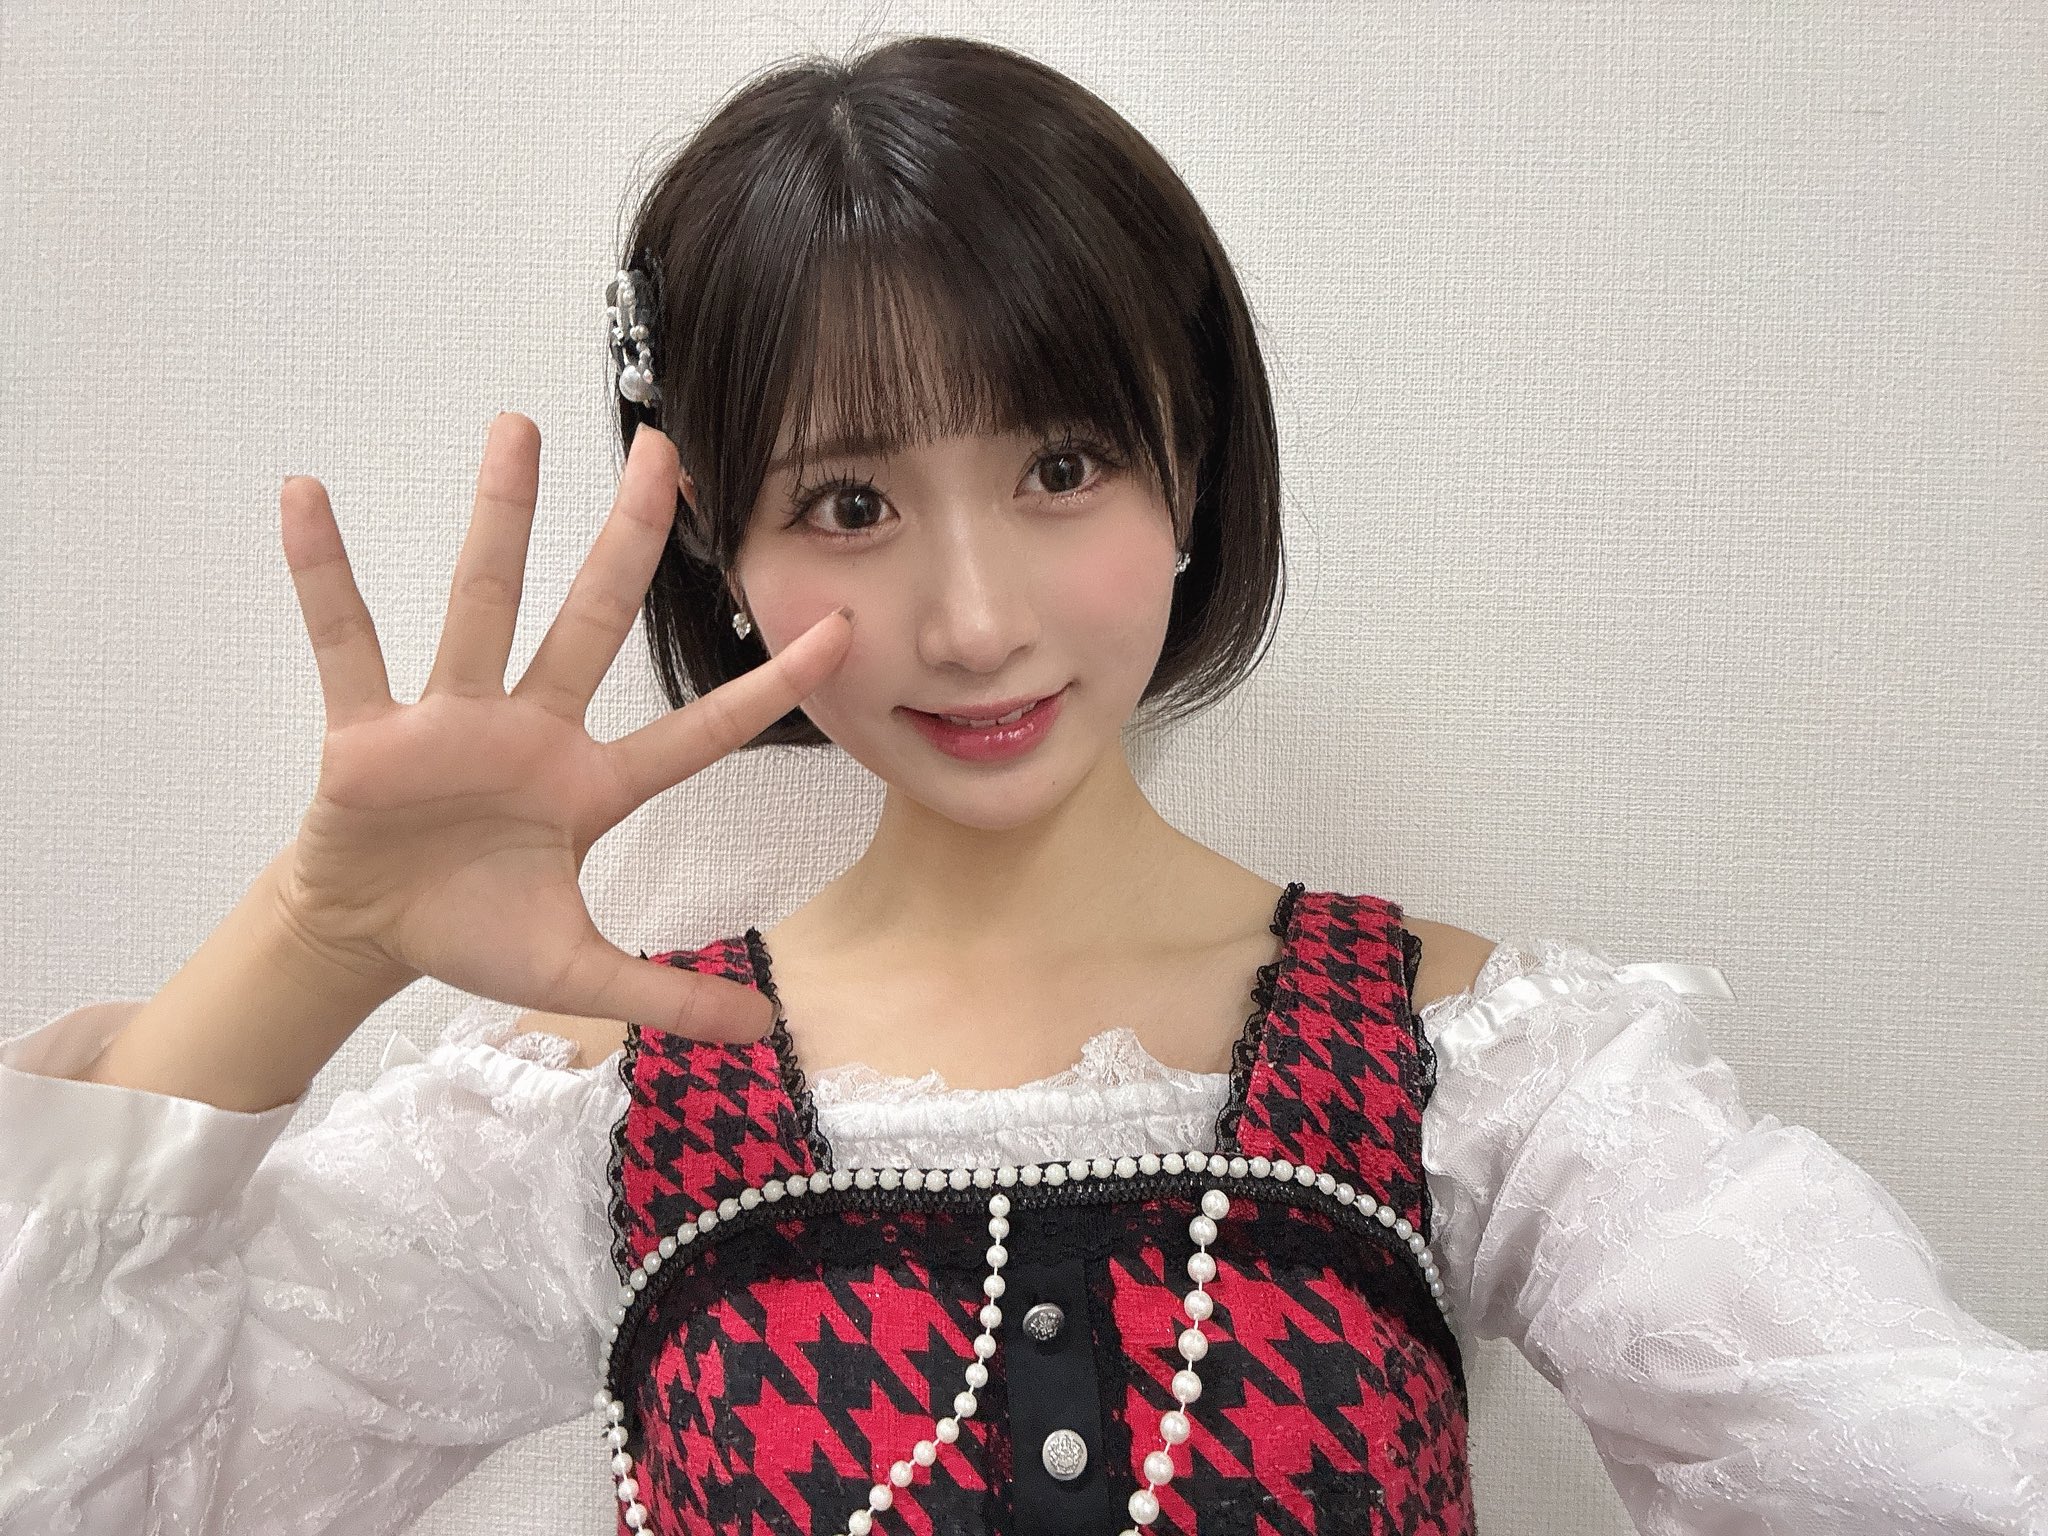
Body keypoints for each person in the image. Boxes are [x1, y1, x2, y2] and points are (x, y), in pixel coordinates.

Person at [2, 32, 2042, 1536]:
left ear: (1189, 466)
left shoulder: (1487, 1074)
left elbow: (1917, 1465)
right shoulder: (598, 1119)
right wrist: (317, 935)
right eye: (852, 502)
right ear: (722, 546)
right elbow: (76, 1478)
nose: (973, 622)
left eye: (1060, 467)